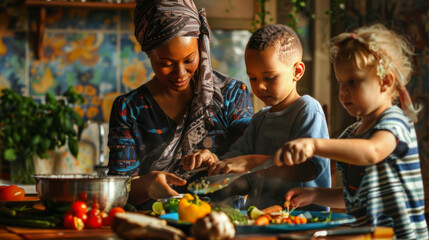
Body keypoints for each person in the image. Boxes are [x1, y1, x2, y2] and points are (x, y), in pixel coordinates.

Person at [275, 24, 428, 239]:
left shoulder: (395, 121)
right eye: (340, 82)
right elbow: (354, 196)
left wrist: (314, 145)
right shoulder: (351, 134)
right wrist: (315, 194)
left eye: (353, 81)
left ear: (385, 81)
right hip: (369, 234)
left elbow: (371, 151)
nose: (343, 91)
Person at [107, 0, 253, 209]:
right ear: (148, 53)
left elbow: (251, 178)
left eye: (189, 59)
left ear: (200, 47)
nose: (180, 74)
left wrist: (217, 164)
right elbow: (117, 192)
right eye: (166, 64)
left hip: (222, 226)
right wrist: (147, 185)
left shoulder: (231, 95)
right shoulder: (128, 108)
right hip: (154, 228)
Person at [182, 24, 331, 210]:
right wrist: (214, 161)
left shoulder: (307, 110)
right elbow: (237, 160)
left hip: (302, 222)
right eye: (253, 78)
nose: (259, 87)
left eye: (269, 78)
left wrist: (251, 162)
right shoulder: (260, 119)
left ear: (297, 72)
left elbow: (309, 169)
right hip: (260, 219)